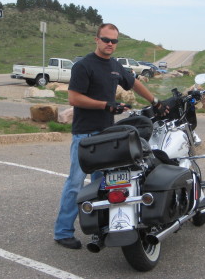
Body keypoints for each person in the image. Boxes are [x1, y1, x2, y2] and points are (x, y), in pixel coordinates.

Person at [54, 23, 168, 249]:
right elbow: (74, 99)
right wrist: (105, 106)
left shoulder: (115, 66)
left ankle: (101, 228)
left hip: (107, 134)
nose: (110, 44)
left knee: (103, 185)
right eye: (106, 39)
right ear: (96, 39)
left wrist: (155, 102)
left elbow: (133, 82)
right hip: (85, 135)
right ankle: (63, 232)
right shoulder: (84, 66)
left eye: (114, 41)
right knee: (76, 183)